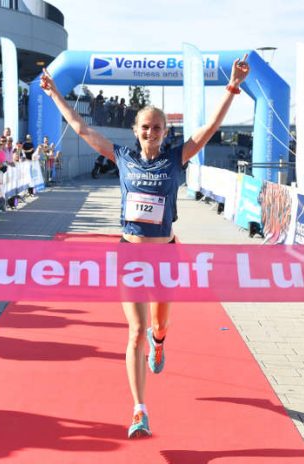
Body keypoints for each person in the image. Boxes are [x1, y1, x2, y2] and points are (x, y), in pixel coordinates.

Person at [40, 54, 250, 438]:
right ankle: (139, 410)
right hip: (130, 254)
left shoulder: (176, 158)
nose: (151, 133)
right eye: (145, 127)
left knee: (159, 323)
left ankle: (161, 342)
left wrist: (232, 87)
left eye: (157, 128)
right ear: (135, 131)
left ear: (165, 132)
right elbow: (81, 128)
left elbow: (210, 127)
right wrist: (55, 93)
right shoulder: (122, 157)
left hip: (166, 255)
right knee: (134, 331)